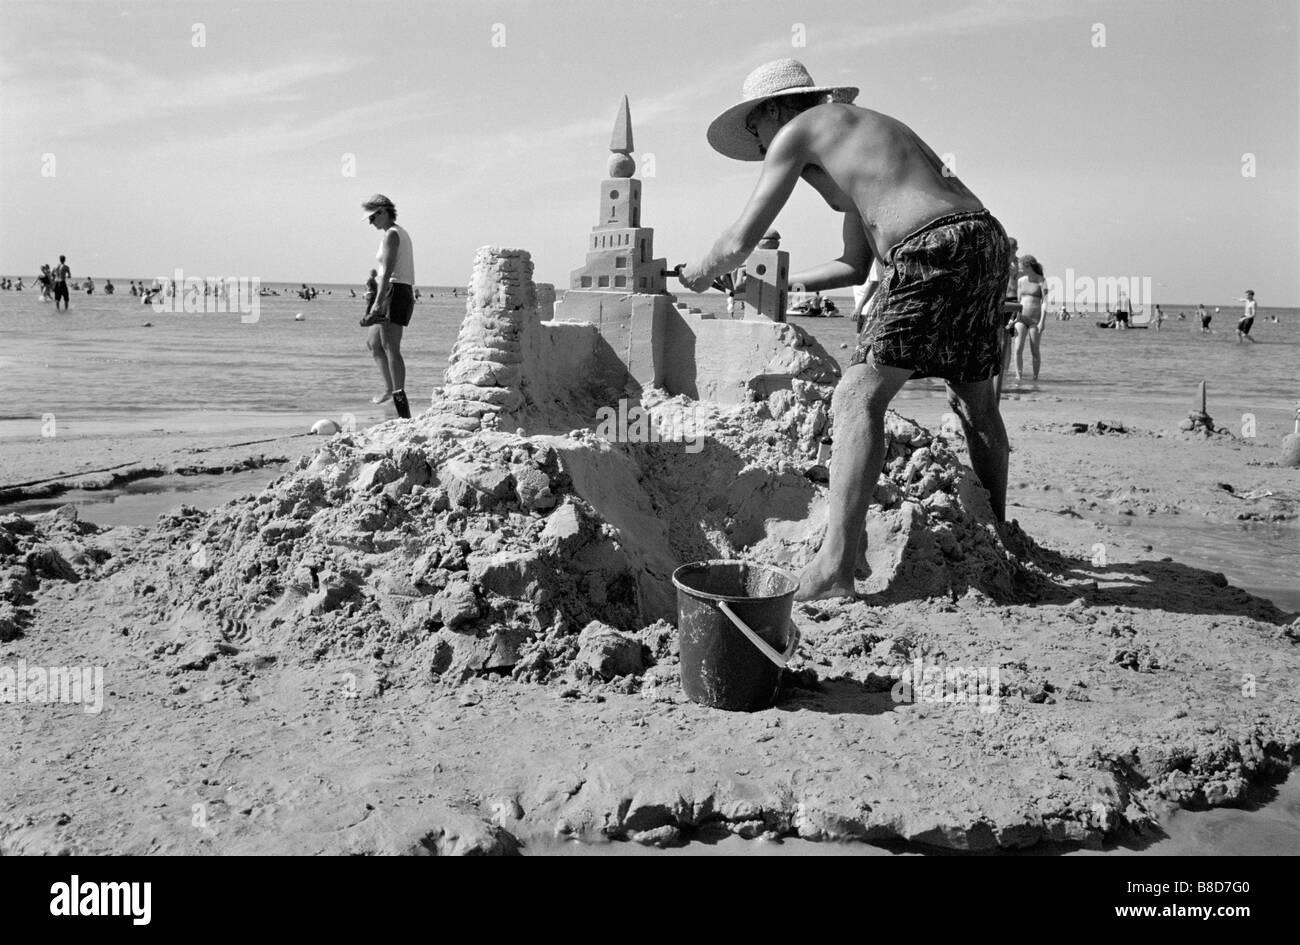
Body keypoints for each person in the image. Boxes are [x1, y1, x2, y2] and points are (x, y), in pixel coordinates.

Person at [677, 58, 1011, 601]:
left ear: (776, 110)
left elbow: (739, 239)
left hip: (931, 247)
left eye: (755, 128)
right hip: (982, 241)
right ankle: (998, 531)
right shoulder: (858, 140)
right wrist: (775, 291)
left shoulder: (801, 128)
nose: (760, 144)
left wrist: (699, 272)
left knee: (855, 398)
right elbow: (854, 266)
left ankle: (835, 568)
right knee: (974, 402)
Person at [360, 194, 415, 419]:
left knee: (391, 346)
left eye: (373, 218)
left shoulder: (393, 235)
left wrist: (378, 302)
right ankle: (390, 390)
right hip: (391, 291)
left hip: (396, 291)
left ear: (383, 212)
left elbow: (389, 271)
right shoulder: (391, 234)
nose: (371, 223)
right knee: (374, 343)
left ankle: (400, 403)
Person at [1012, 254, 1046, 384]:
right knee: (1018, 348)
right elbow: (1018, 301)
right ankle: (1018, 376)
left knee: (1035, 350)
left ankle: (1035, 377)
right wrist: (1014, 318)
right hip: (1021, 318)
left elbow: (1045, 302)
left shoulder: (1041, 280)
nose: (1020, 269)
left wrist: (1042, 321)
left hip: (1035, 320)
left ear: (1028, 266)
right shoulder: (1021, 281)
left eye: (1021, 267)